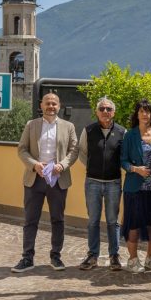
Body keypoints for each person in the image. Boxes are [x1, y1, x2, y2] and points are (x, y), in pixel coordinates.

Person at [12, 92, 78, 273]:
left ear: (59, 106)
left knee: (58, 219)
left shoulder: (69, 126)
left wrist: (62, 165)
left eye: (54, 104)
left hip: (58, 180)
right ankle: (27, 258)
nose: (51, 106)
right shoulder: (31, 125)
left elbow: (74, 150)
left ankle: (56, 257)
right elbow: (22, 149)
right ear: (41, 105)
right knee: (30, 220)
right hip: (35, 179)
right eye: (47, 103)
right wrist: (34, 165)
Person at [74, 97, 126, 271]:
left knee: (113, 221)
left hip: (113, 183)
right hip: (93, 182)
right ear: (97, 112)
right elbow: (82, 152)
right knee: (93, 221)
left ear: (114, 112)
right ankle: (92, 255)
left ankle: (114, 256)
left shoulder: (121, 132)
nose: (105, 112)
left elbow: (124, 156)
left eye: (109, 109)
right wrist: (90, 166)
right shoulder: (88, 131)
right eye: (102, 109)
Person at [120, 99, 151, 273]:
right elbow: (123, 160)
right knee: (134, 225)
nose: (145, 114)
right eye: (141, 111)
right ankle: (132, 260)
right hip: (134, 188)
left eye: (147, 111)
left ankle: (150, 259)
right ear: (137, 114)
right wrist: (135, 169)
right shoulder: (130, 135)